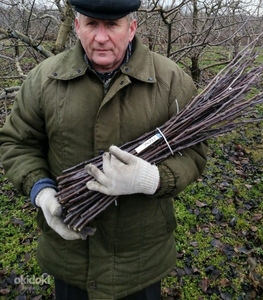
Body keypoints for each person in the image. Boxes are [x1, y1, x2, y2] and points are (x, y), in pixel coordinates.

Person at [0, 0, 208, 299]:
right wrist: (41, 191)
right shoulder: (44, 79)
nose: (100, 37)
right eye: (91, 24)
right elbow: (18, 143)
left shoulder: (170, 80)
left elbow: (195, 150)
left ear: (132, 28)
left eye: (112, 24)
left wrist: (153, 179)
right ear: (76, 27)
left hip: (139, 261)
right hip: (69, 256)